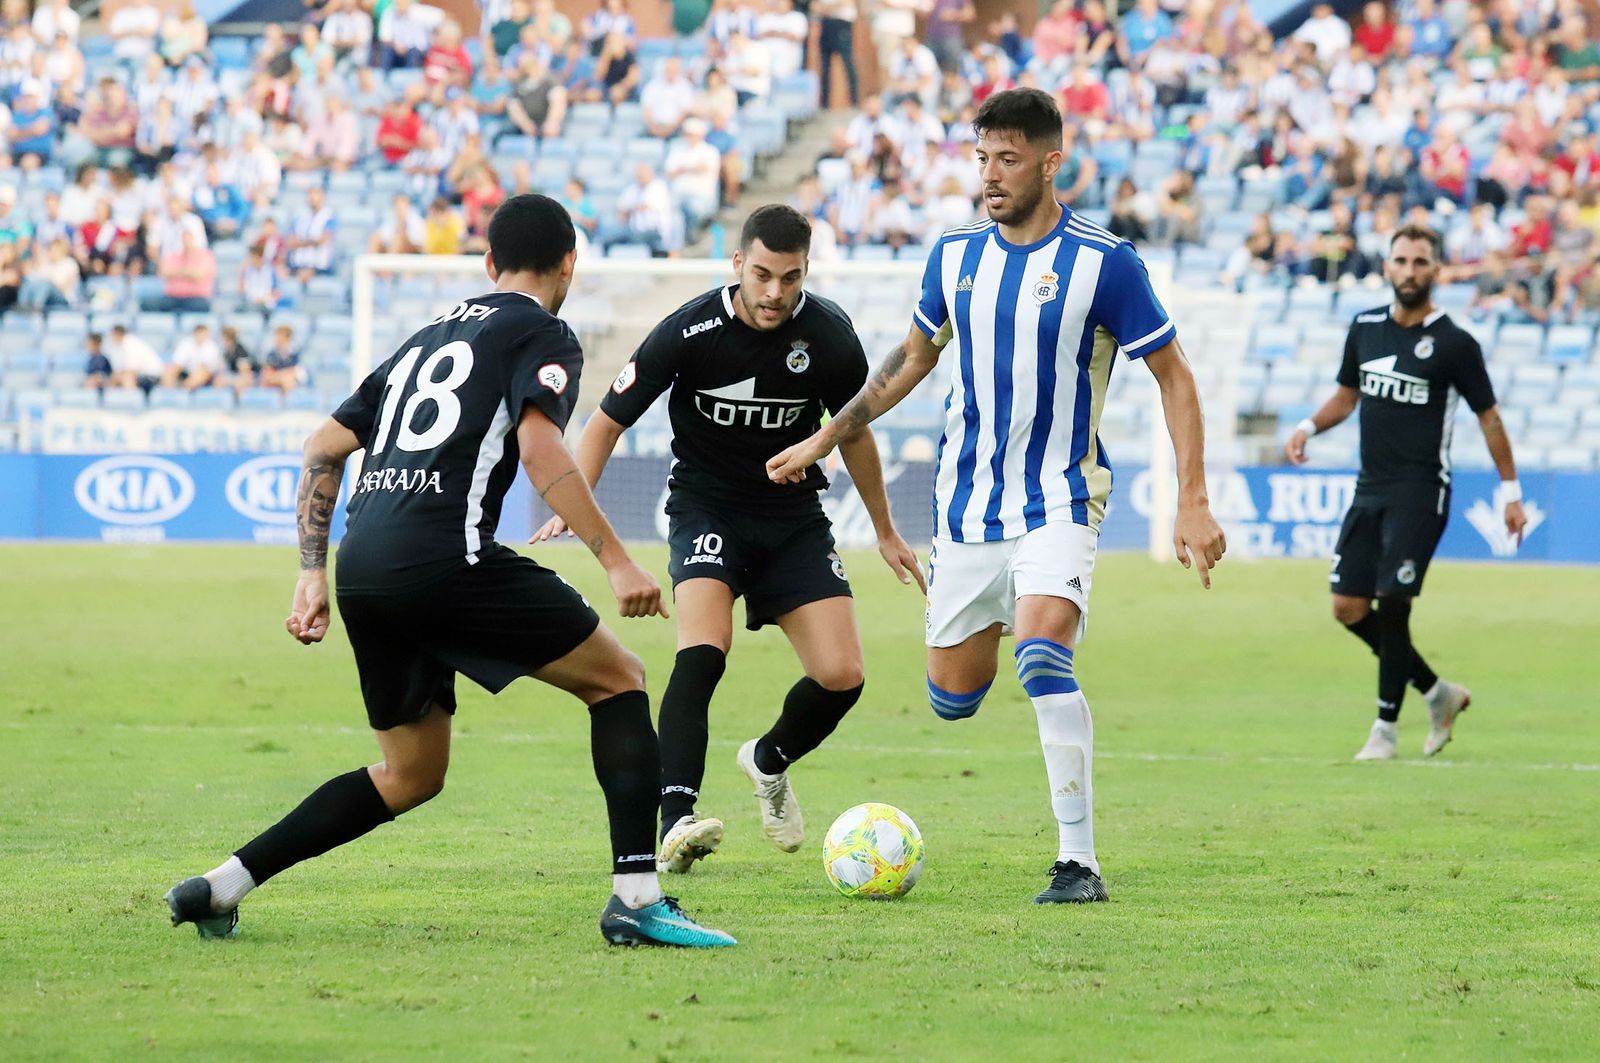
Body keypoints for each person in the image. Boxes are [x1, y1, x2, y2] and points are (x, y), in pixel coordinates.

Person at [163, 194, 734, 949]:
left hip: (363, 565)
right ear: (570, 263)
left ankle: (220, 886)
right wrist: (617, 560)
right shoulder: (543, 331)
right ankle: (636, 899)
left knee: (411, 774)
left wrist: (311, 572)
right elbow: (540, 449)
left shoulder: (422, 340)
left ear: (489, 262)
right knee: (619, 680)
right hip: (444, 556)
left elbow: (323, 444)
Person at [767, 89, 1226, 905]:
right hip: (967, 510)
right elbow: (909, 361)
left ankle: (1078, 862)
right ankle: (1017, 607)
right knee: (952, 699)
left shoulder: (1105, 262)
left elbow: (1175, 375)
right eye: (982, 158)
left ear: (1051, 163)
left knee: (1044, 656)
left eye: (1007, 159)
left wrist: (1192, 497)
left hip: (1060, 497)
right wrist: (825, 436)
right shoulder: (953, 257)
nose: (989, 175)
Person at [535, 204, 921, 872]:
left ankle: (768, 760)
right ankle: (675, 821)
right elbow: (604, 422)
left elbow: (853, 431)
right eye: (763, 275)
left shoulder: (829, 336)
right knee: (703, 651)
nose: (775, 292)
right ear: (738, 263)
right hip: (706, 509)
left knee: (842, 676)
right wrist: (577, 503)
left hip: (793, 518)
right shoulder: (687, 330)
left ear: (806, 272)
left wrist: (885, 530)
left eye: (791, 278)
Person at [1285, 225, 1527, 761]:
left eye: (1420, 262)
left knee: (1393, 604)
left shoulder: (1456, 343)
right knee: (1349, 607)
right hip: (1369, 489)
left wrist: (1511, 492)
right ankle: (1438, 694)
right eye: (1401, 260)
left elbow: (1489, 418)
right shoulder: (1365, 327)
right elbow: (1347, 396)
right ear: (1388, 266)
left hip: (1422, 491)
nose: (1410, 271)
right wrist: (1306, 427)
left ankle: (1385, 730)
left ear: (1437, 270)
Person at [160, 322, 226, 390]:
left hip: (207, 375)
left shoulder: (212, 347)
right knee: (169, 371)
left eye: (203, 334)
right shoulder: (186, 343)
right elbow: (177, 364)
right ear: (194, 334)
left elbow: (205, 368)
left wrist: (191, 378)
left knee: (201, 374)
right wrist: (171, 373)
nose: (201, 336)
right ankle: (169, 392)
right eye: (199, 333)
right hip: (186, 373)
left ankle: (183, 390)